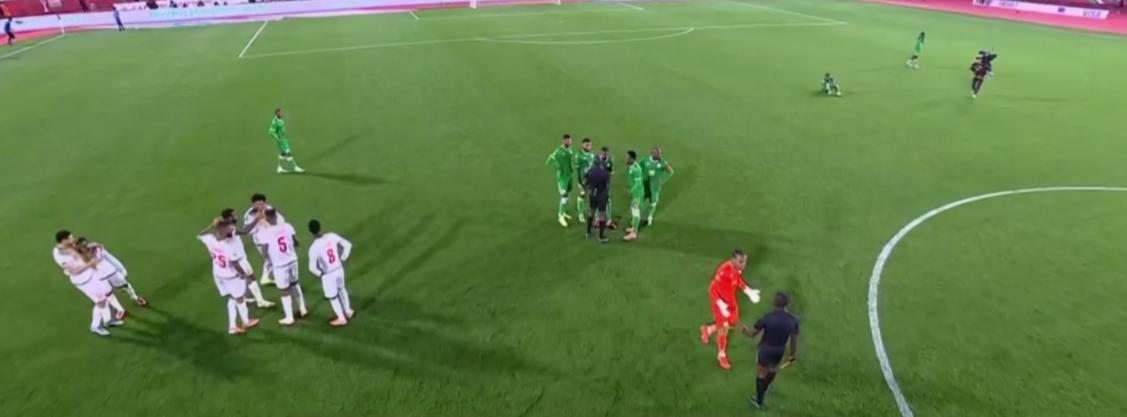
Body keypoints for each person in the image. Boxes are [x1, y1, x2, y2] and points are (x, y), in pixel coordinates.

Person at [699, 249, 760, 370]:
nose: (743, 264)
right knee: (724, 328)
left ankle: (708, 329)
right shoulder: (723, 271)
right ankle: (721, 354)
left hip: (731, 301)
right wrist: (720, 304)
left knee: (733, 322)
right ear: (733, 260)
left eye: (744, 261)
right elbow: (711, 289)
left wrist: (748, 290)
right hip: (720, 303)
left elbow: (737, 280)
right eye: (741, 262)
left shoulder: (737, 269)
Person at [199, 219, 260, 335]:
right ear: (222, 229)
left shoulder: (210, 240)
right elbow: (235, 264)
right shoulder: (227, 247)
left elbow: (200, 234)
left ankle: (233, 326)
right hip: (231, 276)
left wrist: (211, 225)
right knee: (239, 298)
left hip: (218, 274)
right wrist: (245, 276)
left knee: (232, 298)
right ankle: (245, 321)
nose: (231, 228)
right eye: (228, 227)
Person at [54, 230, 121, 336]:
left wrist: (93, 246)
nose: (73, 239)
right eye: (70, 238)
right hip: (83, 281)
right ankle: (95, 326)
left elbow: (82, 249)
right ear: (63, 240)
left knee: (107, 292)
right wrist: (90, 263)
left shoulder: (71, 245)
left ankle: (107, 320)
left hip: (93, 274)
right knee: (101, 301)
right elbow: (73, 271)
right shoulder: (59, 254)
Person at [743, 292, 800, 409]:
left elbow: (753, 333)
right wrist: (792, 354)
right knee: (773, 369)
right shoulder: (794, 320)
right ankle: (766, 386)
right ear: (786, 304)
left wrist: (745, 331)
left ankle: (759, 401)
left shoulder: (768, 317)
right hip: (779, 350)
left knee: (761, 373)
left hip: (765, 349)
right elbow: (794, 340)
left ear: (774, 303)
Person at [255, 209, 306, 325]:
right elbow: (296, 242)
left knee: (284, 290)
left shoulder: (265, 232)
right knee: (295, 284)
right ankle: (303, 308)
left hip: (279, 265)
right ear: (276, 216)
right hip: (292, 260)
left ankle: (289, 317)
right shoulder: (287, 226)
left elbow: (264, 251)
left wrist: (269, 257)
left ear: (267, 218)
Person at [76, 237, 147, 314]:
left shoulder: (97, 249)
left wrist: (121, 268)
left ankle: (136, 297)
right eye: (82, 246)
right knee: (107, 294)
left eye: (85, 244)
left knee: (124, 285)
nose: (85, 247)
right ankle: (120, 309)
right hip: (100, 277)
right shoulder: (80, 257)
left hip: (110, 271)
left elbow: (109, 257)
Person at [221, 208, 274, 308]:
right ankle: (260, 301)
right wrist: (257, 219)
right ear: (228, 218)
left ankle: (240, 298)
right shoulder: (229, 229)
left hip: (234, 258)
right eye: (233, 215)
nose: (236, 217)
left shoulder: (224, 227)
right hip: (238, 259)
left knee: (240, 279)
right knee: (250, 278)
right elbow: (245, 231)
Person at [307, 219, 354, 326]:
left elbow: (312, 268)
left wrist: (321, 274)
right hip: (339, 268)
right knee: (342, 289)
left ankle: (341, 318)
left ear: (311, 232)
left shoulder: (314, 248)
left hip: (328, 274)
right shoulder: (331, 236)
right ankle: (348, 311)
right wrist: (343, 258)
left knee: (333, 296)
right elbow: (348, 245)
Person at [242, 193, 284, 285]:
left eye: (261, 204)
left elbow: (279, 220)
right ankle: (272, 277)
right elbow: (247, 230)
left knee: (273, 258)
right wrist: (257, 219)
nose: (260, 206)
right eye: (257, 204)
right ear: (253, 204)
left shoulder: (269, 209)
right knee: (270, 259)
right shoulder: (250, 214)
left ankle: (266, 277)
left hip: (272, 238)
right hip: (260, 241)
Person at [545, 134, 576, 227]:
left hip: (569, 176)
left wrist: (572, 167)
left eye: (570, 141)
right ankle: (560, 216)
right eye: (568, 141)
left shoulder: (570, 150)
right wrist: (558, 167)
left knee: (568, 194)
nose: (569, 142)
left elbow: (569, 160)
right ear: (564, 141)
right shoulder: (559, 151)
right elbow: (549, 160)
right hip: (562, 178)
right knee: (564, 195)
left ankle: (563, 211)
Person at [641, 147, 673, 227]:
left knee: (653, 201)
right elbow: (638, 167)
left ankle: (649, 217)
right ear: (652, 154)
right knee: (640, 199)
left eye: (660, 153)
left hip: (655, 186)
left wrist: (662, 180)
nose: (660, 155)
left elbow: (670, 172)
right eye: (658, 154)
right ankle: (636, 217)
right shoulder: (645, 160)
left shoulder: (663, 163)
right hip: (645, 184)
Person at [584, 156, 611, 243]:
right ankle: (601, 237)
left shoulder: (590, 172)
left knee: (591, 211)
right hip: (601, 195)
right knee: (602, 215)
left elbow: (586, 183)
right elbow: (607, 186)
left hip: (593, 195)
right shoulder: (605, 173)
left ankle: (588, 232)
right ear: (600, 163)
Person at [270, 108, 305, 174]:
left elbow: (281, 130)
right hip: (281, 141)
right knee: (288, 153)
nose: (281, 114)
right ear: (276, 114)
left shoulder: (280, 120)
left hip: (283, 139)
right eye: (279, 113)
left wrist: (284, 135)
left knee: (283, 154)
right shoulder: (275, 122)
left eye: (281, 112)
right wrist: (277, 138)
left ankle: (279, 168)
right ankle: (295, 167)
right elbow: (271, 132)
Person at [623, 150, 645, 241]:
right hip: (635, 193)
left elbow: (638, 184)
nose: (626, 159)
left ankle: (634, 233)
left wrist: (631, 191)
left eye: (627, 157)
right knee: (633, 209)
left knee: (636, 211)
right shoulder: (632, 166)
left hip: (637, 194)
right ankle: (633, 228)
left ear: (632, 159)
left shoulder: (636, 169)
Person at [575, 138, 596, 222]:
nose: (588, 146)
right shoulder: (579, 156)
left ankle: (592, 213)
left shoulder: (592, 154)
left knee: (593, 196)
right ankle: (580, 214)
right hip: (583, 181)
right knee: (582, 196)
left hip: (592, 180)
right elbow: (577, 170)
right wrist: (579, 183)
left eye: (589, 145)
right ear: (582, 145)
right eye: (587, 145)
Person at [598, 146, 617, 230]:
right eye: (603, 153)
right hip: (597, 184)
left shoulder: (610, 161)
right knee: (598, 202)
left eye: (605, 154)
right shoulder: (596, 160)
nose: (604, 155)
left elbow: (611, 172)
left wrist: (607, 174)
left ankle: (609, 220)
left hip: (606, 185)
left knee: (608, 202)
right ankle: (597, 219)